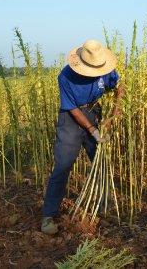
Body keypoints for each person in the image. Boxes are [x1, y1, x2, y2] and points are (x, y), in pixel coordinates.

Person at [41, 39, 124, 235]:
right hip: (70, 117)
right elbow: (72, 108)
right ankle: (48, 215)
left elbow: (120, 86)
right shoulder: (66, 76)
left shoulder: (106, 69)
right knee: (63, 165)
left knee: (100, 158)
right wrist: (92, 130)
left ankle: (105, 206)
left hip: (94, 111)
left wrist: (115, 112)